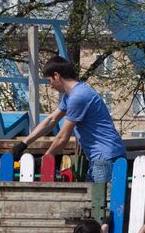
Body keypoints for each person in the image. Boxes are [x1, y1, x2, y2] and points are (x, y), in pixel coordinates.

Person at [13, 55, 127, 183]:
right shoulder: (72, 95)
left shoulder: (78, 97)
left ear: (56, 75)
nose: (50, 86)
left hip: (105, 157)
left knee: (100, 201)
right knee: (94, 199)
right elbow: (51, 120)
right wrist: (24, 143)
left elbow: (62, 138)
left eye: (49, 80)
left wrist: (45, 159)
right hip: (102, 156)